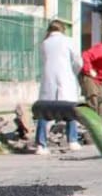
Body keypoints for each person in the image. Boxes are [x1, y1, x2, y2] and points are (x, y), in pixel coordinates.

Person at [35, 21, 83, 155]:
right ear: (63, 29)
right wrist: (73, 72)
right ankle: (72, 141)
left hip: (48, 80)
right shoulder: (68, 41)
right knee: (70, 109)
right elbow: (78, 61)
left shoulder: (44, 43)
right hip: (66, 79)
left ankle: (41, 144)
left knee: (44, 112)